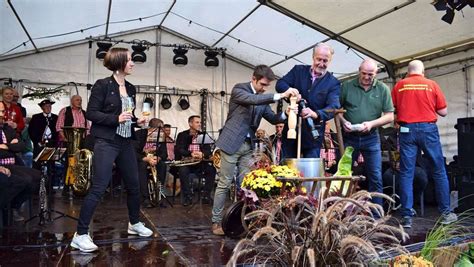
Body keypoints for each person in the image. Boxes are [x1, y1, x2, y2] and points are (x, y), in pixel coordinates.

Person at [70, 47, 152, 253]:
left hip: (125, 142)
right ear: (119, 62)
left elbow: (128, 115)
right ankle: (80, 235)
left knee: (134, 185)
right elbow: (92, 114)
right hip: (106, 141)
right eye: (130, 60)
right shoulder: (102, 85)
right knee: (98, 187)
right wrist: (115, 119)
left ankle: (134, 223)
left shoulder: (131, 88)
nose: (133, 63)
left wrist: (137, 121)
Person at [211, 65, 299, 235]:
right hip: (230, 143)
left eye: (267, 86)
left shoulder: (261, 97)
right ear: (254, 79)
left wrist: (286, 114)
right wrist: (281, 95)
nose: (264, 88)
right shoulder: (239, 89)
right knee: (225, 183)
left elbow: (273, 119)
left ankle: (242, 220)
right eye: (262, 85)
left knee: (245, 186)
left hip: (247, 146)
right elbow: (253, 100)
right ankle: (216, 223)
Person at [392, 59, 457, 228]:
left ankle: (406, 215)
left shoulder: (400, 85)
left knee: (406, 172)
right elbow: (443, 111)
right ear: (423, 71)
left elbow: (393, 108)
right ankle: (445, 213)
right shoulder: (431, 84)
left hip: (406, 130)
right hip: (428, 130)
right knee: (439, 170)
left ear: (408, 71)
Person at [338, 59, 394, 207]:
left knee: (375, 176)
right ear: (359, 71)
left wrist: (371, 124)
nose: (367, 77)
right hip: (349, 137)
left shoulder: (382, 89)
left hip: (371, 137)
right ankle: (341, 210)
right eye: (364, 73)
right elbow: (336, 110)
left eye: (371, 74)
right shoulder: (347, 86)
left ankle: (376, 214)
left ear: (376, 73)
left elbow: (390, 116)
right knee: (344, 174)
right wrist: (344, 122)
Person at [275, 42, 340, 159]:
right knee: (286, 169)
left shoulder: (333, 82)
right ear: (313, 57)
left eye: (325, 61)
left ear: (330, 61)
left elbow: (334, 107)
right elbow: (280, 84)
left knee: (310, 172)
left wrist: (315, 114)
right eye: (318, 59)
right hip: (291, 130)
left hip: (313, 134)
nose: (321, 63)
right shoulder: (298, 71)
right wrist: (290, 90)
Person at [0, 101, 40, 220]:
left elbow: (21, 146)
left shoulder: (7, 128)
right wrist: (11, 146)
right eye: (2, 111)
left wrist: (5, 146)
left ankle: (14, 206)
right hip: (2, 165)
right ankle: (5, 207)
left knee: (39, 177)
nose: (4, 114)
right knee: (24, 180)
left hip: (12, 163)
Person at [175, 115, 216, 206]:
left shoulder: (203, 135)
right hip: (187, 162)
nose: (199, 124)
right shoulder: (182, 135)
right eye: (197, 122)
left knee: (211, 169)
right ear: (190, 123)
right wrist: (191, 153)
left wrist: (203, 154)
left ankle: (206, 195)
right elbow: (179, 149)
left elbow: (208, 150)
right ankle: (188, 197)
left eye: (200, 122)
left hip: (200, 163)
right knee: (183, 170)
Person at [134, 118, 168, 208]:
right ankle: (145, 197)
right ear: (151, 129)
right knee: (142, 166)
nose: (161, 132)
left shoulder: (161, 136)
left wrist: (158, 158)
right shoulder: (139, 134)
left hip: (155, 159)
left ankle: (160, 195)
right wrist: (146, 159)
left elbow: (164, 153)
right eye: (158, 130)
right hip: (142, 159)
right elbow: (133, 152)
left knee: (163, 166)